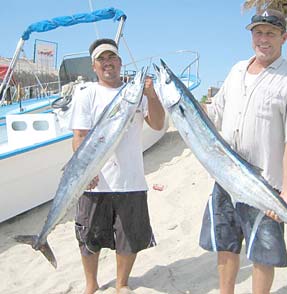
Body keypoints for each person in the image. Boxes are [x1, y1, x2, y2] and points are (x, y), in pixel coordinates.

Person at [199, 9, 287, 294]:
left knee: (263, 253)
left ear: (284, 37)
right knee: (226, 245)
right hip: (225, 178)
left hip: (265, 184)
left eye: (271, 33)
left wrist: (285, 192)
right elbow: (215, 114)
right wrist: (180, 105)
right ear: (251, 35)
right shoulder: (236, 70)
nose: (263, 39)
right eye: (258, 32)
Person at [69, 38, 165, 294]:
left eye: (111, 58)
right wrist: (85, 172)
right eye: (101, 59)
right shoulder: (87, 94)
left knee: (129, 237)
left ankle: (122, 283)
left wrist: (152, 95)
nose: (107, 63)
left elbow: (157, 124)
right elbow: (79, 137)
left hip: (131, 181)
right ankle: (91, 284)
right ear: (94, 66)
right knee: (89, 238)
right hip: (94, 181)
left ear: (120, 62)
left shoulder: (137, 93)